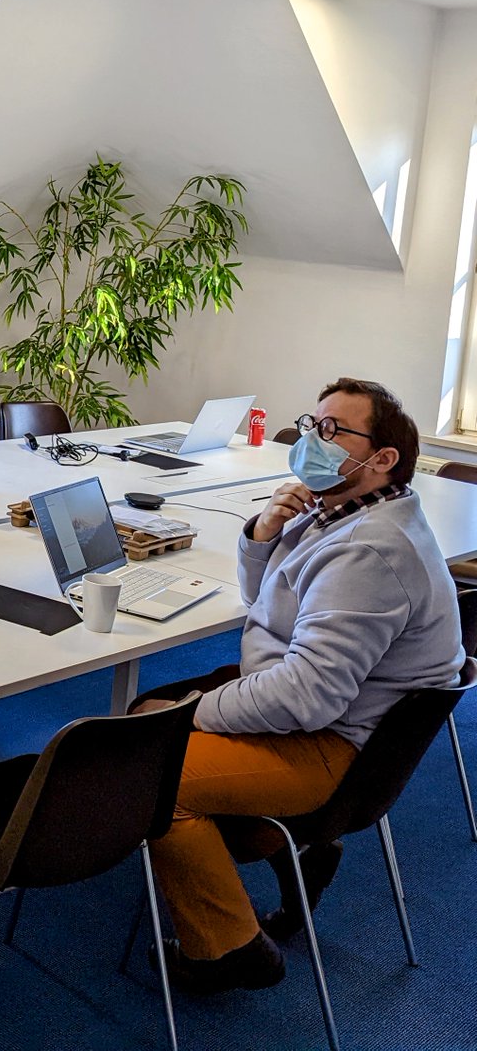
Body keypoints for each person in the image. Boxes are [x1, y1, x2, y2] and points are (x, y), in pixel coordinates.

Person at [138, 377, 464, 993]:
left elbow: (304, 697)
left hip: (333, 743)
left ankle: (230, 950)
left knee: (146, 775)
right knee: (139, 720)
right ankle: (284, 845)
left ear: (382, 458)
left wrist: (191, 710)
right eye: (312, 423)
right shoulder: (344, 509)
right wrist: (264, 532)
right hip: (326, 713)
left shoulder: (371, 551)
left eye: (332, 430)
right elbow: (266, 601)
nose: (311, 438)